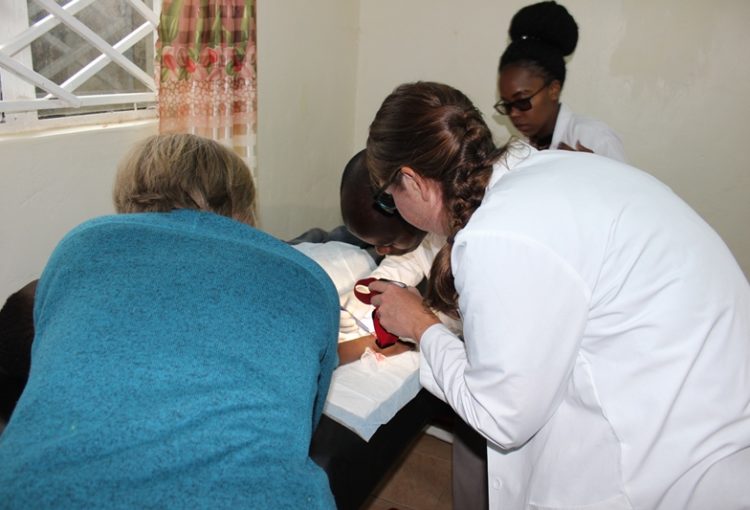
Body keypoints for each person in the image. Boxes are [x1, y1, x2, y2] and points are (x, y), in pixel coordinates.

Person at [365, 81, 750, 509]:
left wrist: (421, 326)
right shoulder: (541, 174)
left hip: (669, 457)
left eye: (389, 199)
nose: (396, 210)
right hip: (709, 407)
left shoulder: (498, 233)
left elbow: (500, 414)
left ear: (412, 181)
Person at [0, 133, 339, 509]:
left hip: (33, 490)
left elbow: (48, 362)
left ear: (130, 197)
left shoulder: (78, 247)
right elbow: (305, 418)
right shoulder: (308, 278)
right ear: (243, 207)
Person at [339, 149, 487, 510]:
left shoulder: (478, 243)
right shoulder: (430, 231)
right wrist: (370, 295)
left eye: (385, 242)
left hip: (492, 367)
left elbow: (456, 318)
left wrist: (414, 329)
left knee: (484, 457)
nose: (380, 249)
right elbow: (405, 262)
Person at [497, 1, 626, 162]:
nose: (513, 114)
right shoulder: (517, 153)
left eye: (522, 101)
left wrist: (594, 169)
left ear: (553, 90)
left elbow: (627, 180)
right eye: (507, 105)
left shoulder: (596, 139)